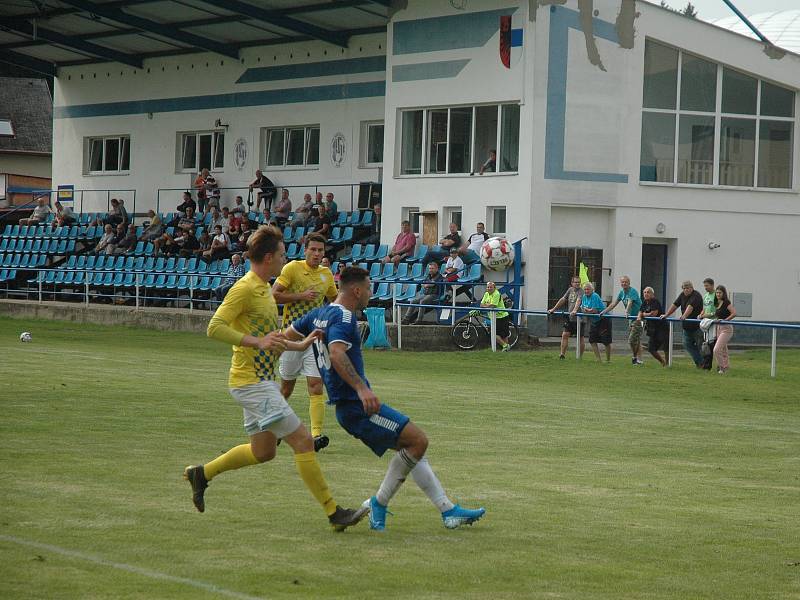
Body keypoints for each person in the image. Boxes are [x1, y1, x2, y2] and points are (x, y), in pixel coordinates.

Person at [183, 225, 367, 531]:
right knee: (304, 441)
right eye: (282, 254)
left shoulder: (265, 289)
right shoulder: (244, 288)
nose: (286, 258)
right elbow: (214, 327)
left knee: (263, 452)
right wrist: (256, 343)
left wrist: (301, 343)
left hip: (258, 381)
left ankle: (202, 473)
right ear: (269, 257)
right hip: (252, 382)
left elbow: (271, 336)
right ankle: (335, 513)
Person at [286, 266, 486, 531]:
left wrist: (297, 345)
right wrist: (361, 388)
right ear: (357, 290)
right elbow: (336, 353)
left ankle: (448, 511)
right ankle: (379, 503)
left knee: (412, 448)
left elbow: (284, 337)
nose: (370, 292)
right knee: (418, 441)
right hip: (356, 406)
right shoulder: (344, 318)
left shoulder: (317, 314)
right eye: (368, 287)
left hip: (348, 407)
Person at [272, 233, 338, 452]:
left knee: (316, 386)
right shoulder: (291, 269)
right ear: (305, 250)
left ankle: (316, 435)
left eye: (321, 250)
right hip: (291, 337)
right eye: (314, 249)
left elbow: (334, 299)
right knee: (286, 388)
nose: (317, 254)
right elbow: (274, 295)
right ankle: (274, 429)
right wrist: (300, 296)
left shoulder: (326, 274)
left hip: (315, 338)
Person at [601, 276, 643, 365]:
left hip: (639, 317)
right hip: (631, 318)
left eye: (625, 282)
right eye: (622, 282)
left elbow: (630, 302)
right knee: (636, 339)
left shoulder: (632, 291)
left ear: (629, 283)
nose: (624, 284)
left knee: (632, 340)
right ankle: (639, 359)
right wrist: (604, 311)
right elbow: (614, 303)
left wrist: (626, 311)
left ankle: (635, 358)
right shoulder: (621, 293)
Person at [662, 281, 704, 367]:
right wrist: (666, 315)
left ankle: (704, 364)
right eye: (684, 288)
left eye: (688, 288)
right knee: (687, 344)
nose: (686, 290)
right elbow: (675, 305)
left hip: (697, 327)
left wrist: (684, 316)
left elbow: (690, 307)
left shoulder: (696, 295)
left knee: (701, 346)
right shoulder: (682, 295)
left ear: (692, 288)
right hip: (687, 327)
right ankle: (700, 362)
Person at [572, 282, 611, 362]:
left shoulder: (595, 296)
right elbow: (583, 308)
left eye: (588, 289)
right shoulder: (584, 297)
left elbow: (594, 310)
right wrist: (586, 310)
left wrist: (587, 310)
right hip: (593, 321)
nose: (586, 291)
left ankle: (608, 360)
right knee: (592, 340)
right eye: (585, 289)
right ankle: (598, 359)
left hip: (603, 319)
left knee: (606, 341)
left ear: (592, 290)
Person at [548, 275, 584, 360]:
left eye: (579, 282)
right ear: (572, 283)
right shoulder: (570, 290)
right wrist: (553, 309)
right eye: (575, 282)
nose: (577, 284)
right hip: (570, 317)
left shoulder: (581, 291)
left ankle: (580, 357)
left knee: (580, 337)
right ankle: (562, 355)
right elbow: (563, 299)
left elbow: (579, 301)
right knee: (565, 334)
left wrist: (575, 310)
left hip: (579, 318)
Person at [638, 287, 670, 366]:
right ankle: (663, 362)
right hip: (652, 328)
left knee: (666, 347)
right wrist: (639, 316)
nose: (646, 294)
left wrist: (644, 314)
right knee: (651, 349)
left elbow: (654, 313)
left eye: (648, 292)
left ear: (652, 294)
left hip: (662, 327)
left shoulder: (655, 301)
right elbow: (640, 311)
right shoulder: (645, 302)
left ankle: (668, 363)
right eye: (644, 292)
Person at [480, 280, 511, 351]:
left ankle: (506, 350)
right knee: (493, 333)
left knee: (504, 334)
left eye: (491, 287)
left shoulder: (497, 294)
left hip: (502, 316)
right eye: (488, 287)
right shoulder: (486, 294)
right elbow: (481, 305)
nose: (489, 289)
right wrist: (488, 305)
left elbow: (493, 306)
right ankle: (505, 346)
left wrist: (486, 305)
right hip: (494, 317)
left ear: (494, 288)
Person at [712, 285, 736, 374]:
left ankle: (722, 368)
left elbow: (734, 313)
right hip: (719, 328)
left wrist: (725, 320)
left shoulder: (726, 302)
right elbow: (717, 314)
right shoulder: (716, 302)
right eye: (717, 292)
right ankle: (726, 366)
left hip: (726, 328)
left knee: (716, 349)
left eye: (720, 292)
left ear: (723, 293)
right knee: (723, 350)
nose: (718, 294)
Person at [698, 278, 716, 370]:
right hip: (706, 323)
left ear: (712, 285)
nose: (705, 288)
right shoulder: (705, 296)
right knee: (706, 345)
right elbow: (704, 308)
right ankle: (706, 365)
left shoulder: (716, 296)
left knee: (713, 345)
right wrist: (701, 314)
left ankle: (718, 366)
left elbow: (716, 311)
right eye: (704, 286)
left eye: (707, 286)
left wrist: (706, 315)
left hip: (714, 323)